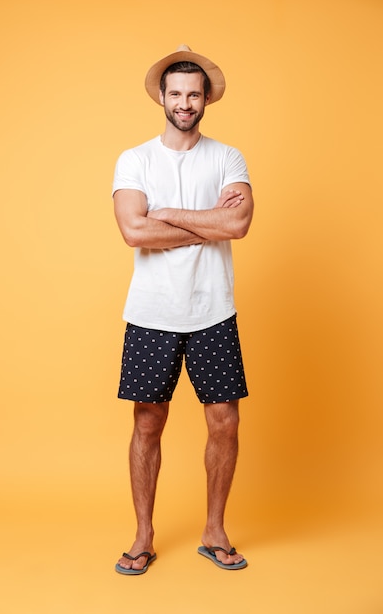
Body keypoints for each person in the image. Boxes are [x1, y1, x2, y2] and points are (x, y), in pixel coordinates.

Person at [112, 45, 254, 574]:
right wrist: (203, 220)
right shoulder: (135, 160)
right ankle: (143, 536)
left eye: (194, 93)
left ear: (206, 98)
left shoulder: (228, 158)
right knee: (148, 422)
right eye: (176, 93)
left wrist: (165, 213)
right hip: (152, 314)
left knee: (225, 423)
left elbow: (237, 225)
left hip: (214, 309)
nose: (185, 102)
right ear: (163, 98)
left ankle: (215, 529)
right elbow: (133, 230)